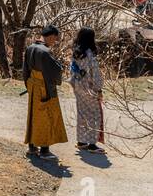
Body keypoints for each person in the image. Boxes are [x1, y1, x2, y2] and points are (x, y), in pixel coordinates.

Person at [23, 25, 68, 158]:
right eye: (55, 39)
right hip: (44, 88)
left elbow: (25, 70)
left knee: (33, 116)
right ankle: (44, 150)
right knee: (46, 118)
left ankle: (32, 147)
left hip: (33, 86)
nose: (54, 41)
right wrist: (60, 68)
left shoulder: (30, 48)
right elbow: (55, 71)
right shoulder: (45, 52)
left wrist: (28, 85)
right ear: (51, 36)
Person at [69, 27, 104, 151]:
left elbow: (72, 69)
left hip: (78, 86)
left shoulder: (76, 52)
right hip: (90, 87)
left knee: (82, 114)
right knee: (94, 114)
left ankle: (81, 141)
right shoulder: (90, 54)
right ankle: (92, 144)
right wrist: (99, 88)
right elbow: (95, 73)